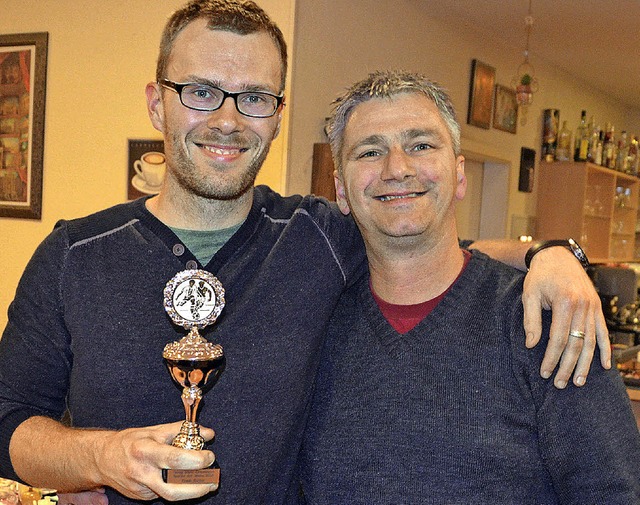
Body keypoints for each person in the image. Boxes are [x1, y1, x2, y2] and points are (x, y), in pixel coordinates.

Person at [0, 1, 609, 504]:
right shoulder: (74, 255)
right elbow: (10, 421)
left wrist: (553, 256)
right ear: (158, 102)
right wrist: (98, 458)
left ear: (277, 116)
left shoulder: (317, 236)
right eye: (202, 92)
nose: (229, 120)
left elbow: (424, 237)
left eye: (255, 97)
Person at [297, 70, 640, 504]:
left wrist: (550, 252)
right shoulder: (314, 323)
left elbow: (613, 493)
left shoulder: (547, 319)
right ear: (341, 190)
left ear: (459, 176)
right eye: (369, 151)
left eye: (421, 145)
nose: (397, 169)